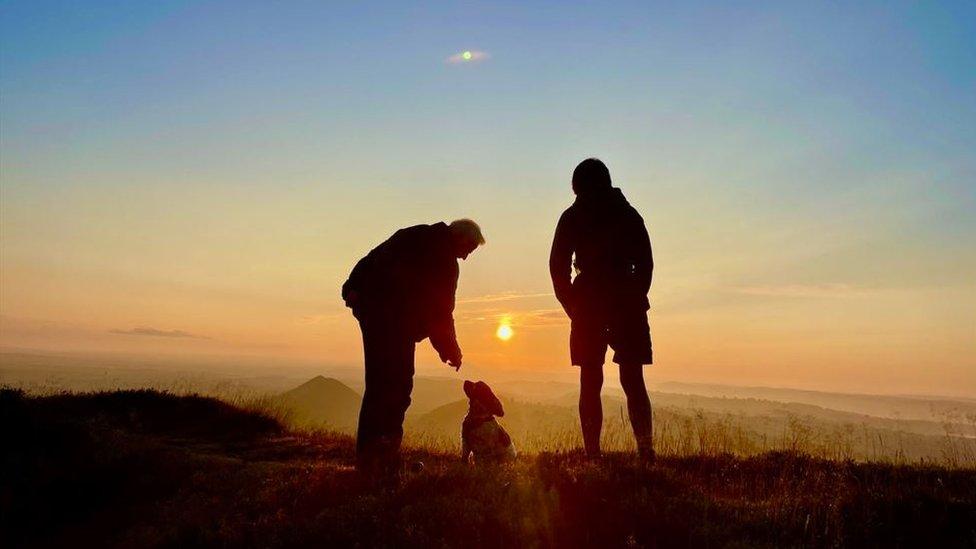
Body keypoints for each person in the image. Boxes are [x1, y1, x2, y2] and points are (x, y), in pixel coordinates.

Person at [342, 219, 485, 473]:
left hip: (374, 316)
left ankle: (369, 457)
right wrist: (450, 351)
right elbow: (441, 312)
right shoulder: (445, 263)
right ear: (460, 238)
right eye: (469, 249)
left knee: (378, 385)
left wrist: (351, 287)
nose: (466, 256)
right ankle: (384, 456)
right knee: (398, 385)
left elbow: (375, 256)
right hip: (396, 325)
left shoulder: (414, 234)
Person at [549, 158, 655, 460]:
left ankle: (593, 453)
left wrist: (573, 305)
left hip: (590, 303)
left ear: (577, 187)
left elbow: (557, 267)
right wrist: (635, 296)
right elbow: (645, 263)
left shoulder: (572, 216)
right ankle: (645, 450)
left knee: (591, 379)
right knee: (632, 379)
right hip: (625, 301)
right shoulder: (628, 214)